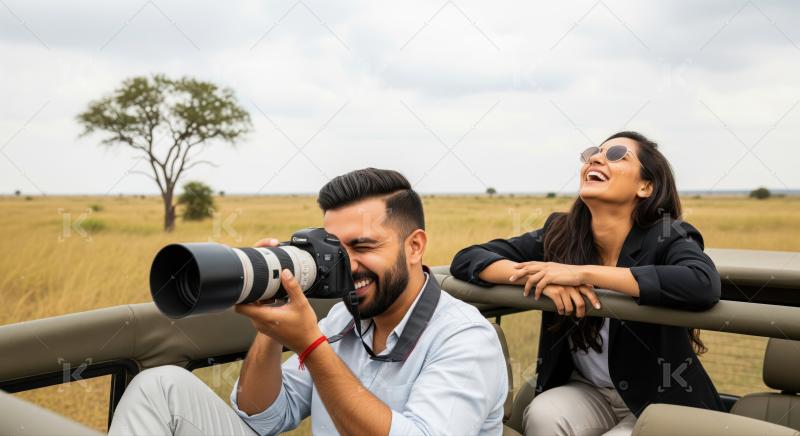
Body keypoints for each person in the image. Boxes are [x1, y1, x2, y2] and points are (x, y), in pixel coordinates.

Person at [109, 168, 507, 435]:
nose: (348, 265)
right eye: (337, 248)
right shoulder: (341, 319)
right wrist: (270, 322)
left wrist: (312, 347)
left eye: (363, 246)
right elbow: (263, 417)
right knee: (159, 386)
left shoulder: (465, 337)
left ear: (415, 246)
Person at [451, 131, 725, 436]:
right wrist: (544, 277)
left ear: (645, 186)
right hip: (588, 391)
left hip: (657, 399)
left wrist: (583, 274)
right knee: (543, 415)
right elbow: (467, 258)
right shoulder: (561, 231)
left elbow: (702, 283)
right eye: (594, 152)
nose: (595, 158)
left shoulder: (666, 234)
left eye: (616, 154)